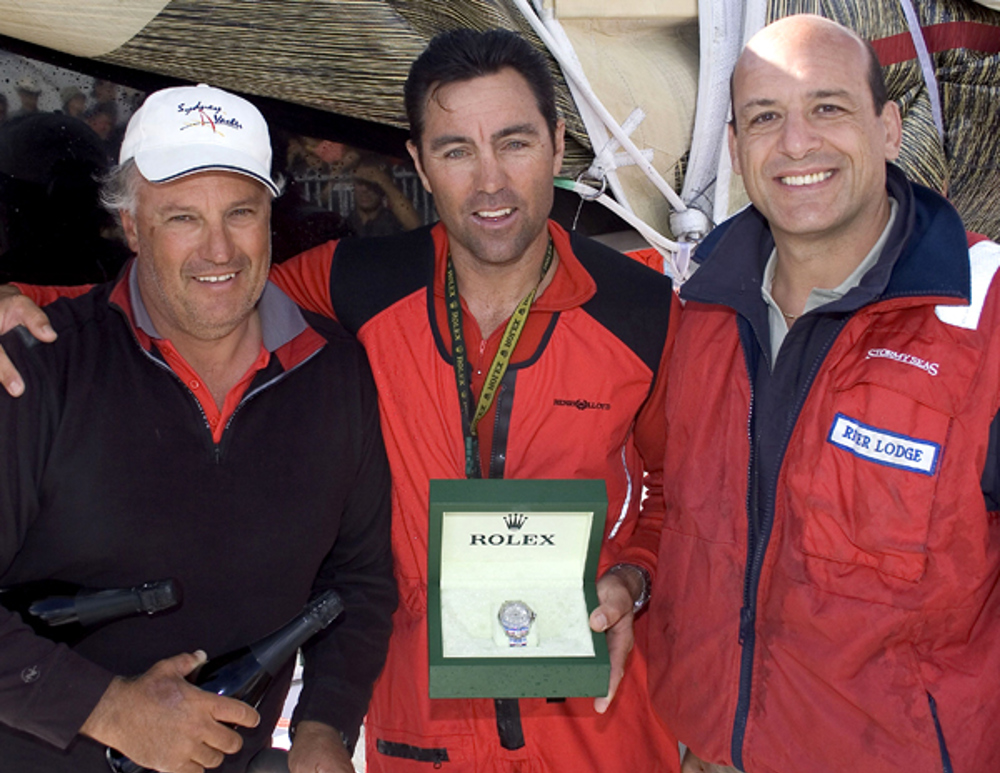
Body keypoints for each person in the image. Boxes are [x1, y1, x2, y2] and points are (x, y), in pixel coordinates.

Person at [0, 28, 680, 773]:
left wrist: (636, 576)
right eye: (456, 150)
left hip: (593, 713)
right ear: (420, 162)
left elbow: (679, 490)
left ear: (556, 145)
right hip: (423, 728)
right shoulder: (359, 282)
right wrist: (16, 302)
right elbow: (191, 296)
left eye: (514, 143)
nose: (490, 182)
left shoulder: (643, 310)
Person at [0, 83, 396, 773]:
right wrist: (108, 708)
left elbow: (359, 580)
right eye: (183, 217)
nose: (219, 249)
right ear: (131, 226)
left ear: (271, 216)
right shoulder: (34, 370)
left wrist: (324, 725)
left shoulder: (334, 373)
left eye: (240, 212)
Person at [647, 14, 1000, 773]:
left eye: (827, 107)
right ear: (735, 149)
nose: (797, 143)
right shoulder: (700, 310)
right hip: (707, 751)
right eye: (765, 118)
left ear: (889, 129)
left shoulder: (985, 318)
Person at [349, 160, 421, 237]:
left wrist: (383, 180)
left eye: (371, 183)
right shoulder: (346, 225)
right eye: (360, 182)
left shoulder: (393, 223)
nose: (364, 189)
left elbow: (415, 227)